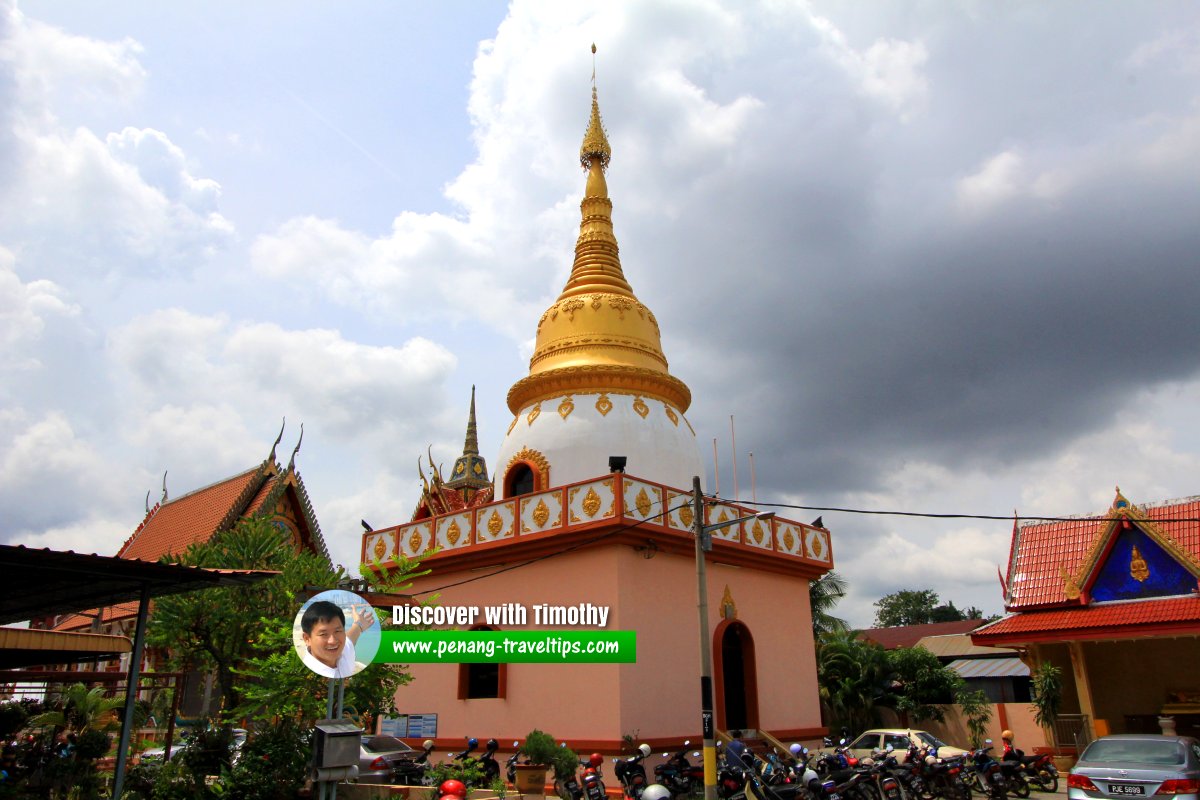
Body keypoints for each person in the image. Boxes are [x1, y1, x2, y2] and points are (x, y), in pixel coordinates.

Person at [299, 600, 376, 678]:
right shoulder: (307, 675)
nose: (333, 641)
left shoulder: (343, 653)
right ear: (307, 639)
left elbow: (349, 639)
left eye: (337, 631)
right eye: (323, 634)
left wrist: (358, 624)